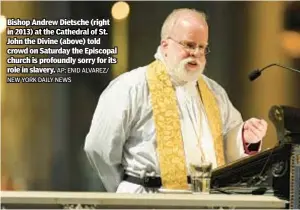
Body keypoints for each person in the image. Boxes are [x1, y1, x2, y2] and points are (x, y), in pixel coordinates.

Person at [84, 8, 268, 193]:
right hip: (147, 199)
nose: (196, 53)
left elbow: (226, 144)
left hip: (205, 198)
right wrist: (124, 188)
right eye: (189, 45)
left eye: (202, 47)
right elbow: (99, 148)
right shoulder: (131, 87)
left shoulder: (214, 92)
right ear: (165, 45)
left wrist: (244, 137)